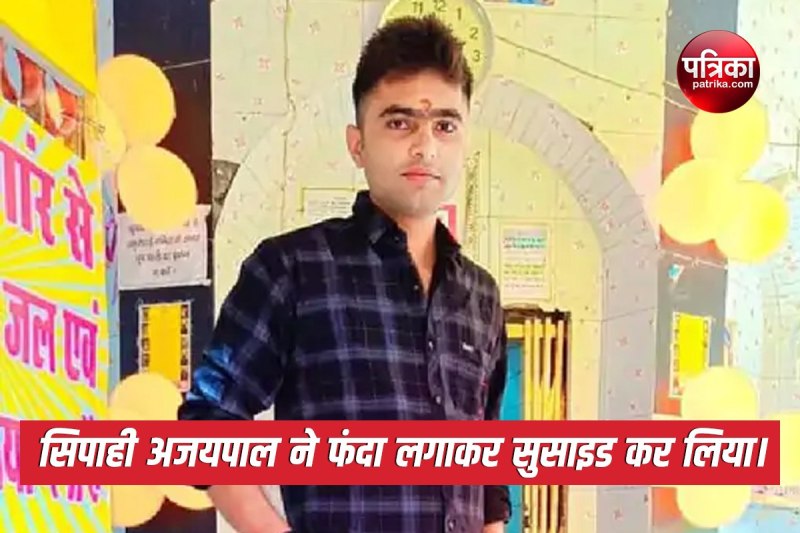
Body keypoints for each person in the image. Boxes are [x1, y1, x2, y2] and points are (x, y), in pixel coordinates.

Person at [178, 14, 510, 533]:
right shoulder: (292, 270)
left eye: (445, 125)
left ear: (464, 141)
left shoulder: (481, 297)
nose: (425, 146)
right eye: (399, 123)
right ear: (358, 144)